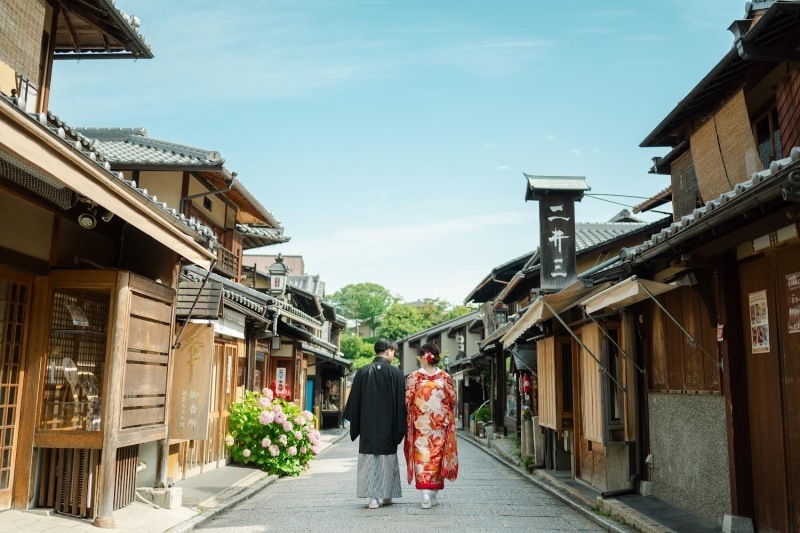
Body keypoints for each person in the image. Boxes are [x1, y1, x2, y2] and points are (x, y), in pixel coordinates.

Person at [343, 338, 406, 509]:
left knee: (370, 460)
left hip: (368, 425)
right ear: (387, 351)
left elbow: (354, 402)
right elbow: (402, 405)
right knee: (387, 459)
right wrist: (401, 426)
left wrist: (356, 423)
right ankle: (387, 496)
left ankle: (373, 499)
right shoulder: (396, 373)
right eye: (393, 351)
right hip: (389, 425)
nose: (393, 355)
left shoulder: (362, 372)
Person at [404, 343, 458, 509]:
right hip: (439, 427)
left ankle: (428, 494)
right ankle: (428, 494)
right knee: (434, 460)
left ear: (422, 357)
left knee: (424, 459)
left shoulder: (414, 377)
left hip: (421, 426)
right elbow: (452, 400)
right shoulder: (445, 377)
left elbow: (407, 401)